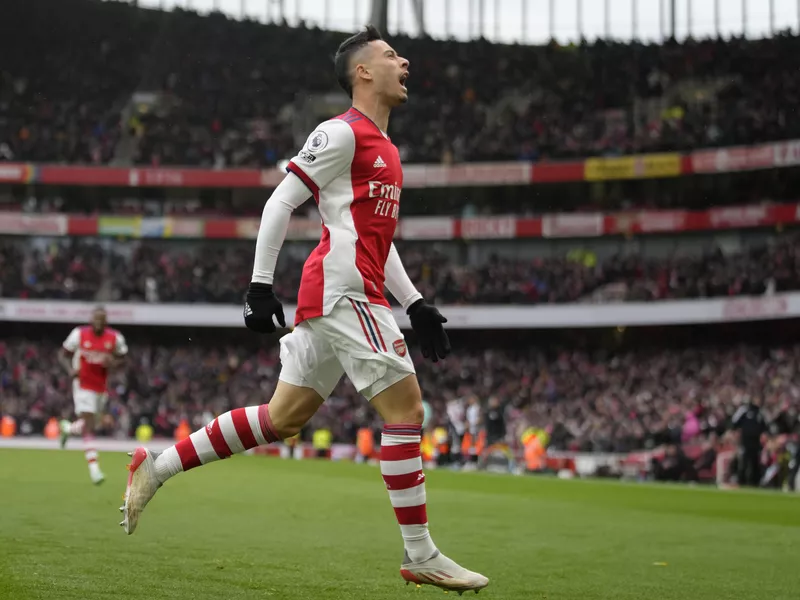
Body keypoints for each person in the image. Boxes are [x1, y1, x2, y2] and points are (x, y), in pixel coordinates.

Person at [120, 26, 488, 594]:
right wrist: (259, 286)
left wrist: (415, 303)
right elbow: (280, 202)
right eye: (391, 55)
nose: (404, 63)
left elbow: (375, 239)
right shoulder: (341, 132)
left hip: (344, 287)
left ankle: (157, 467)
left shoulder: (387, 149)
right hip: (346, 290)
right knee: (406, 410)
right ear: (362, 72)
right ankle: (421, 554)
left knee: (283, 418)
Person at [58, 306, 128, 484]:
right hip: (82, 384)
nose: (98, 323)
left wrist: (113, 363)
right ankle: (94, 469)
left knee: (92, 423)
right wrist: (69, 370)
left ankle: (68, 428)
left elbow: (123, 358)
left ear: (106, 322)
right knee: (89, 425)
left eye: (101, 320)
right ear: (91, 320)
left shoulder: (115, 338)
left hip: (101, 387)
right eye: (95, 319)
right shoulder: (79, 334)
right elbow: (63, 354)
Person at [731, 395, 767, 486]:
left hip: (756, 442)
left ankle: (754, 483)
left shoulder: (760, 412)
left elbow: (765, 426)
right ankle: (740, 481)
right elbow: (734, 422)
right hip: (745, 441)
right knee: (743, 461)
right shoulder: (744, 410)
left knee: (754, 462)